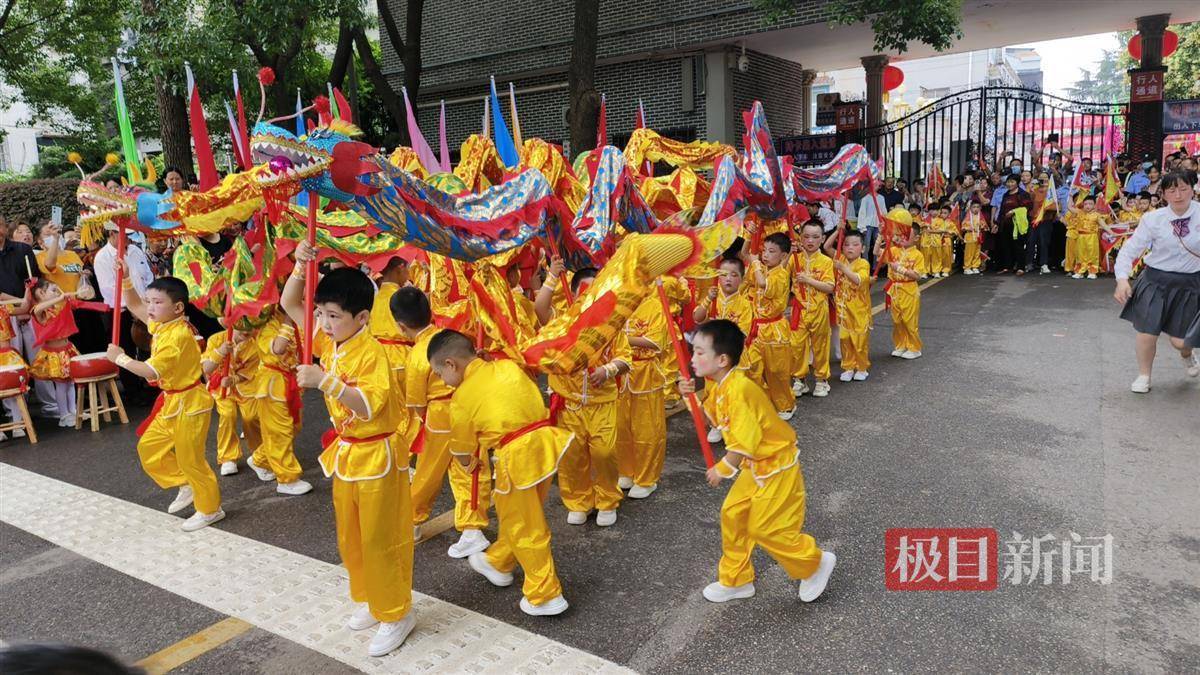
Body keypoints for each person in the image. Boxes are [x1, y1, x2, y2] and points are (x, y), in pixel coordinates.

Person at [281, 242, 415, 657]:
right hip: (348, 453)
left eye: (332, 316)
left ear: (361, 317)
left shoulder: (371, 350)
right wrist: (301, 268)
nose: (322, 323)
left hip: (378, 453)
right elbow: (290, 303)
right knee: (350, 537)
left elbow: (369, 403)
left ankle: (397, 612)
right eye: (320, 314)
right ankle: (371, 600)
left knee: (381, 539)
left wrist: (325, 382)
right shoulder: (331, 342)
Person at [679, 320, 836, 604]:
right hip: (755, 465)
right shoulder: (719, 386)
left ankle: (814, 563)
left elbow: (742, 444)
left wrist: (722, 469)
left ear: (722, 359)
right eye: (693, 351)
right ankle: (737, 580)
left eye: (700, 352)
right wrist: (689, 396)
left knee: (764, 528)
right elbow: (710, 422)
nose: (692, 358)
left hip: (776, 465)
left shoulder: (739, 389)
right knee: (733, 514)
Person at [429, 329, 573, 616]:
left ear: (451, 365)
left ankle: (545, 595)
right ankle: (499, 561)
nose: (442, 381)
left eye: (438, 373)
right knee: (521, 516)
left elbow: (460, 451)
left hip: (516, 456)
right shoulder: (507, 364)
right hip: (546, 445)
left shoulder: (461, 398)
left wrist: (470, 464)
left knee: (525, 526)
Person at [106, 272, 224, 531]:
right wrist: (126, 278)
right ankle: (187, 484)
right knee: (149, 448)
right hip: (172, 401)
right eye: (150, 301)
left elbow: (150, 372)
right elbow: (135, 306)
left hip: (190, 402)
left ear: (178, 307)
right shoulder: (163, 324)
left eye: (157, 302)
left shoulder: (178, 336)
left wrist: (120, 359)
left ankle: (210, 509)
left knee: (191, 459)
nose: (149, 307)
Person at [394, 285, 491, 556]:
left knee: (428, 472)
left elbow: (415, 402)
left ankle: (412, 519)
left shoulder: (417, 355)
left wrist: (426, 420)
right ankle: (473, 527)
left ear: (401, 326)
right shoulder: (451, 337)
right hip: (468, 408)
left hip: (438, 418)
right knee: (472, 468)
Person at [535, 264, 631, 526]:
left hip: (603, 402)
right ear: (575, 294)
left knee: (604, 452)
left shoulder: (613, 323)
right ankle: (579, 500)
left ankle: (607, 499)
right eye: (585, 292)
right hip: (569, 405)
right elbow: (540, 309)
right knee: (572, 456)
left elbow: (625, 357)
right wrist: (553, 275)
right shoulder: (562, 323)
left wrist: (608, 370)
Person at [1114, 171, 1200, 393]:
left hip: (1189, 284)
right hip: (1156, 281)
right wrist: (1122, 279)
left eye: (1184, 189)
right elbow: (1130, 250)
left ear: (1193, 189)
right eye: (1172, 190)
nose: (1178, 195)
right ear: (1163, 194)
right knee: (1146, 332)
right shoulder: (1153, 219)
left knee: (1180, 342)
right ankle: (1144, 376)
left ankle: (1187, 355)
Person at [28, 279, 107, 427]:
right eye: (53, 290)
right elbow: (37, 309)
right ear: (41, 293)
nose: (58, 292)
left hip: (67, 348)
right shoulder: (38, 310)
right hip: (54, 353)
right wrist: (61, 298)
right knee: (61, 385)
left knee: (71, 383)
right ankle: (64, 415)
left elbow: (80, 303)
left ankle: (74, 411)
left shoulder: (61, 304)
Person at [93, 224, 156, 405]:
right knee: (125, 348)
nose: (129, 239)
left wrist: (146, 302)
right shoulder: (102, 258)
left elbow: (147, 277)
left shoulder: (135, 251)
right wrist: (131, 306)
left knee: (147, 345)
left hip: (143, 305)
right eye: (125, 236)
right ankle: (132, 391)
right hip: (120, 310)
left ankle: (148, 383)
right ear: (112, 233)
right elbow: (109, 289)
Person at [248, 315, 310, 495]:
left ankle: (260, 459)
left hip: (291, 380)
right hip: (272, 382)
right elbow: (278, 348)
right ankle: (287, 479)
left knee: (293, 427)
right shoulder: (268, 324)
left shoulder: (300, 318)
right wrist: (289, 322)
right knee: (279, 431)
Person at [616, 291, 669, 499]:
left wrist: (624, 339)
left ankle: (647, 478)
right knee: (621, 426)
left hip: (646, 373)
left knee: (647, 429)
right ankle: (626, 471)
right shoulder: (618, 303)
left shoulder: (654, 305)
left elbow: (656, 342)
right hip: (620, 374)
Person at [740, 233, 795, 419]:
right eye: (764, 250)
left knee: (777, 372)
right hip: (755, 330)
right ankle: (761, 404)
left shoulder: (780, 274)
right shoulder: (760, 268)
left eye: (772, 251)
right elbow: (744, 254)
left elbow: (763, 284)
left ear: (783, 256)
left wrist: (755, 263)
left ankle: (786, 405)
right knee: (753, 369)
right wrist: (749, 235)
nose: (765, 254)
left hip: (774, 330)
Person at [200, 326, 261, 476]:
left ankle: (260, 455)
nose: (246, 331)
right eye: (241, 326)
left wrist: (234, 379)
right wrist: (220, 351)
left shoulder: (256, 343)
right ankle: (228, 457)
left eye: (250, 326)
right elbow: (207, 368)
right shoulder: (216, 339)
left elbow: (250, 372)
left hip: (246, 386)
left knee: (251, 417)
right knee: (228, 415)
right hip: (222, 388)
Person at [790, 222, 835, 398]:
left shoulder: (826, 261)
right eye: (806, 236)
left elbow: (829, 287)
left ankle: (821, 379)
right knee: (797, 345)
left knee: (820, 345)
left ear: (822, 239)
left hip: (819, 309)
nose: (810, 240)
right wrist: (789, 254)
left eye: (815, 237)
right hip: (799, 310)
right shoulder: (795, 259)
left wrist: (808, 280)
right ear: (800, 237)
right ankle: (799, 379)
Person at [875, 208, 925, 359]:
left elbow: (917, 275)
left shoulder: (917, 255)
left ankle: (914, 348)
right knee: (897, 321)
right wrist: (880, 234)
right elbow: (876, 252)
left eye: (907, 235)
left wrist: (901, 269)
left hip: (909, 289)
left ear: (916, 238)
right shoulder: (894, 250)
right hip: (894, 289)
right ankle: (901, 345)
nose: (902, 237)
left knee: (909, 320)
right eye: (901, 233)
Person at [824, 227, 872, 381]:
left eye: (855, 244)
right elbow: (826, 247)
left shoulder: (863, 263)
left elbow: (858, 279)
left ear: (863, 248)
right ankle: (848, 366)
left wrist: (843, 269)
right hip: (843, 310)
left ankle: (862, 367)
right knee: (844, 338)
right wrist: (838, 231)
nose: (850, 247)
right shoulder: (841, 259)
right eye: (846, 244)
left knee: (859, 340)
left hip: (859, 311)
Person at [1065, 195, 1106, 279]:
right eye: (1086, 204)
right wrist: (1070, 197)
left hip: (1092, 237)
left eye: (1090, 204)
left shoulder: (1097, 215)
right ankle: (1080, 271)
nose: (1088, 206)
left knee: (1092, 254)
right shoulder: (1079, 212)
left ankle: (1092, 271)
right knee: (1080, 255)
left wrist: (1112, 232)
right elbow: (1069, 207)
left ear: (1094, 205)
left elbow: (1104, 225)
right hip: (1081, 237)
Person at [962, 202, 986, 274]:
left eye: (977, 207)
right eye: (974, 207)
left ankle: (975, 266)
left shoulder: (980, 217)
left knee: (977, 252)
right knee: (969, 253)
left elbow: (985, 226)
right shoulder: (968, 217)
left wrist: (982, 227)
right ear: (970, 208)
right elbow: (963, 228)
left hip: (978, 237)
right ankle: (967, 267)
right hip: (970, 237)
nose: (976, 209)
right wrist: (969, 228)